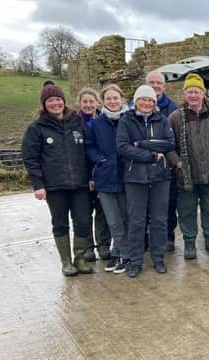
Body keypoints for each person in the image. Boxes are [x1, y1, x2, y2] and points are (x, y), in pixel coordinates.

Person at [22, 84, 93, 276]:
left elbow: (89, 150)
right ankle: (66, 262)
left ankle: (80, 258)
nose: (55, 103)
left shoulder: (77, 122)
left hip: (80, 184)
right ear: (45, 104)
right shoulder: (37, 128)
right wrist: (38, 185)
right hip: (54, 186)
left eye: (58, 99)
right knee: (60, 223)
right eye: (50, 101)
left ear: (63, 101)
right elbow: (31, 158)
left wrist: (91, 176)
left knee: (83, 221)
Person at [167, 74, 209, 258]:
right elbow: (167, 146)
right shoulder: (175, 117)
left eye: (197, 91)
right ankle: (189, 243)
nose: (193, 95)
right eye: (190, 92)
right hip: (186, 174)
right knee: (186, 211)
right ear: (185, 94)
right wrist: (177, 162)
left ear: (203, 94)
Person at [117, 85, 175, 278]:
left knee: (159, 220)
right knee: (137, 221)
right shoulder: (126, 120)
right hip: (135, 178)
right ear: (136, 101)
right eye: (143, 99)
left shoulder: (162, 120)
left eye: (150, 100)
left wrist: (141, 144)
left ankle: (158, 258)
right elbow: (123, 148)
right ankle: (135, 261)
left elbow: (169, 144)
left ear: (154, 103)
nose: (146, 103)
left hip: (160, 177)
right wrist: (150, 155)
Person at [84, 83, 130, 274]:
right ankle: (121, 254)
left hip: (128, 176)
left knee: (126, 218)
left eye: (115, 97)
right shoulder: (97, 123)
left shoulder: (130, 119)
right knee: (113, 220)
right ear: (103, 101)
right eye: (108, 98)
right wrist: (99, 159)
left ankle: (123, 255)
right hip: (106, 177)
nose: (112, 101)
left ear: (122, 99)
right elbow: (89, 145)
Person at [145, 70, 179, 252]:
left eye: (159, 83)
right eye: (152, 82)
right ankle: (147, 238)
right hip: (142, 165)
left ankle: (168, 237)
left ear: (164, 87)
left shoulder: (173, 107)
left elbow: (176, 140)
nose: (155, 86)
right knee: (144, 205)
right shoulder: (135, 105)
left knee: (168, 203)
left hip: (167, 165)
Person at [77, 86, 112, 263]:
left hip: (102, 172)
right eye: (85, 102)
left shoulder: (104, 120)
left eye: (91, 101)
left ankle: (104, 245)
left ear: (97, 103)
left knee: (103, 211)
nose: (88, 105)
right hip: (81, 174)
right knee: (84, 213)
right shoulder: (74, 122)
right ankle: (88, 247)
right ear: (80, 104)